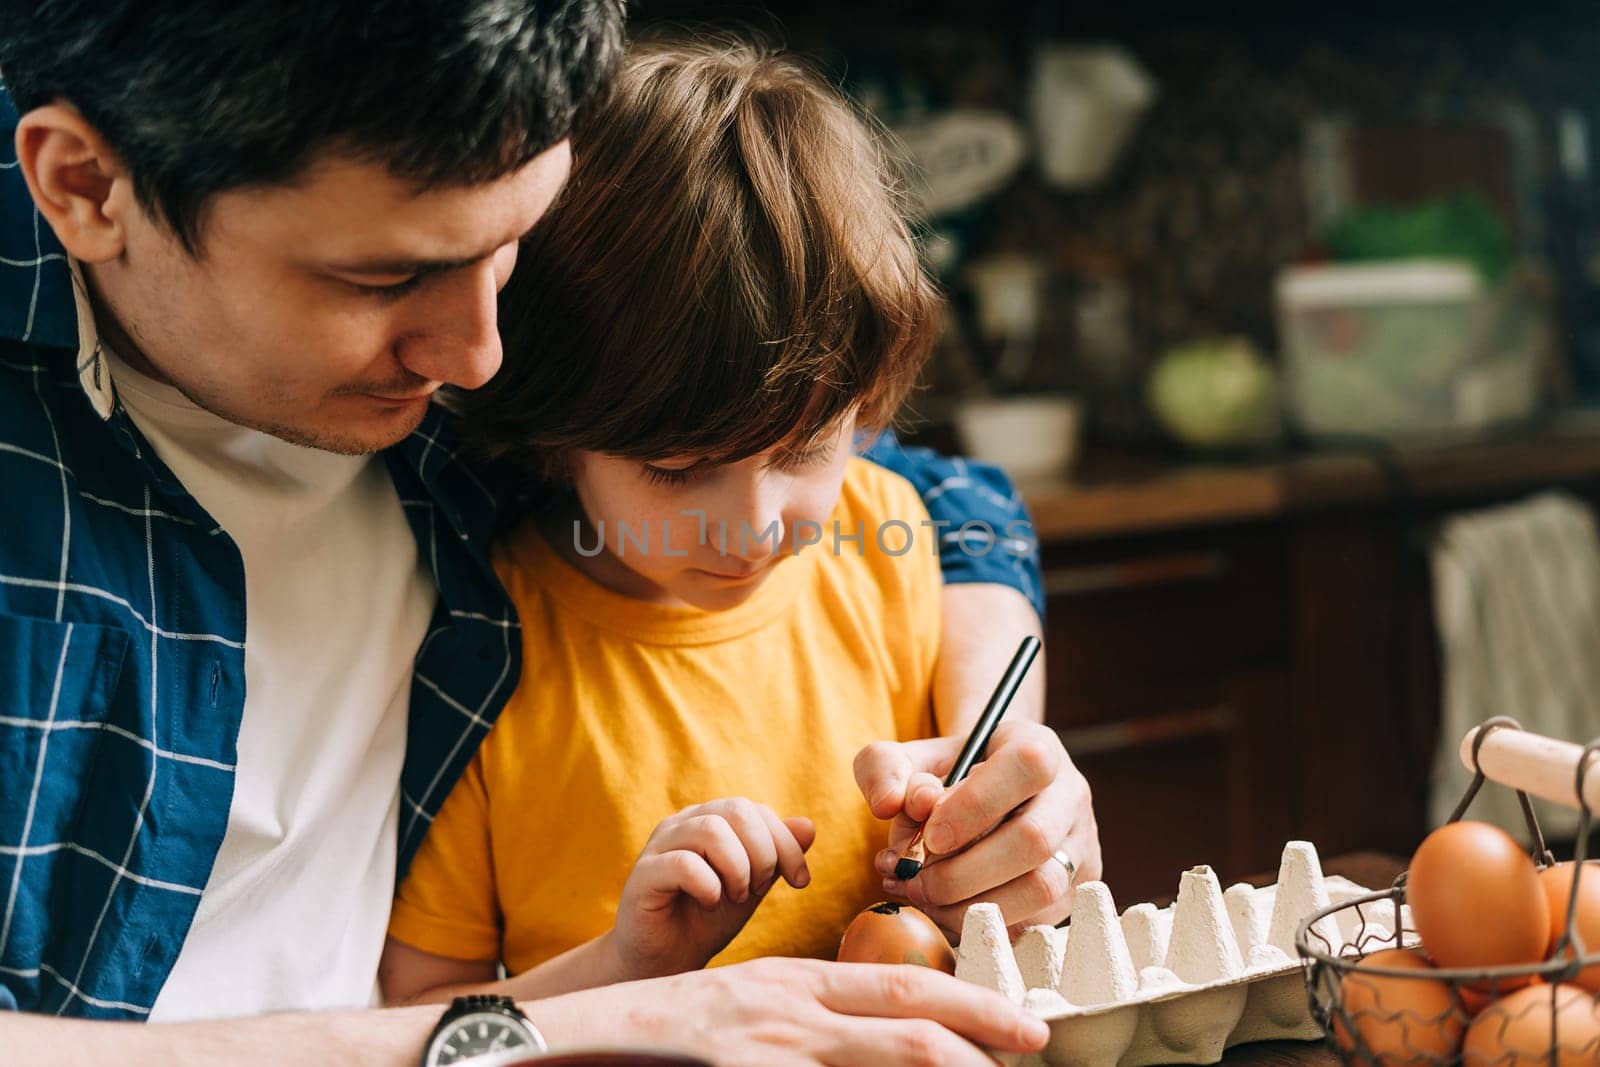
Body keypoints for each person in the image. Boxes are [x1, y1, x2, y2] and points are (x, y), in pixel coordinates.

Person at [0, 1, 1099, 1063]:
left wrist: (996, 754)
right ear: (87, 184)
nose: (480, 356)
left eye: (515, 240)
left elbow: (923, 493)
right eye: (386, 275)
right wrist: (609, 1013)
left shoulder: (481, 385)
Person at [378, 37, 1006, 1003]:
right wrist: (628, 969)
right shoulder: (482, 654)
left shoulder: (900, 546)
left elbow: (1003, 929)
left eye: (802, 450)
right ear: (558, 434)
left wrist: (986, 882)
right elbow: (424, 1018)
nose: (752, 529)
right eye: (676, 470)